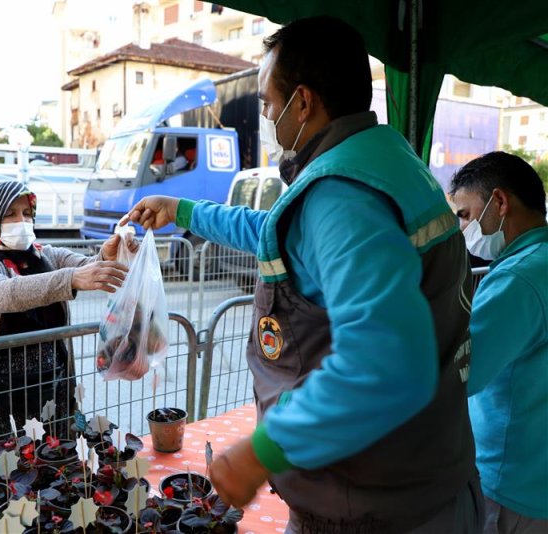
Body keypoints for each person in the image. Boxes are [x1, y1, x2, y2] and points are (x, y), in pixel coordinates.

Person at [125, 16, 480, 533]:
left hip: (372, 504)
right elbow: (276, 233)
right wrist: (181, 210)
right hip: (425, 478)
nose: (267, 115)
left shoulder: (342, 195)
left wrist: (260, 452)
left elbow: (385, 362)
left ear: (305, 102)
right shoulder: (388, 163)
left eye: (268, 103)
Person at [0, 180, 137, 459]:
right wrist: (70, 279)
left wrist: (107, 256)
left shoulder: (46, 255)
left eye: (26, 213)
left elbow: (85, 267)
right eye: (10, 214)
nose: (21, 221)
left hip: (50, 383)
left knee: (52, 455)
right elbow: (1, 293)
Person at [450, 152, 548, 534]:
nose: (463, 228)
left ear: (500, 202)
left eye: (465, 214)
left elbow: (462, 371)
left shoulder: (519, 279)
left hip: (511, 485)